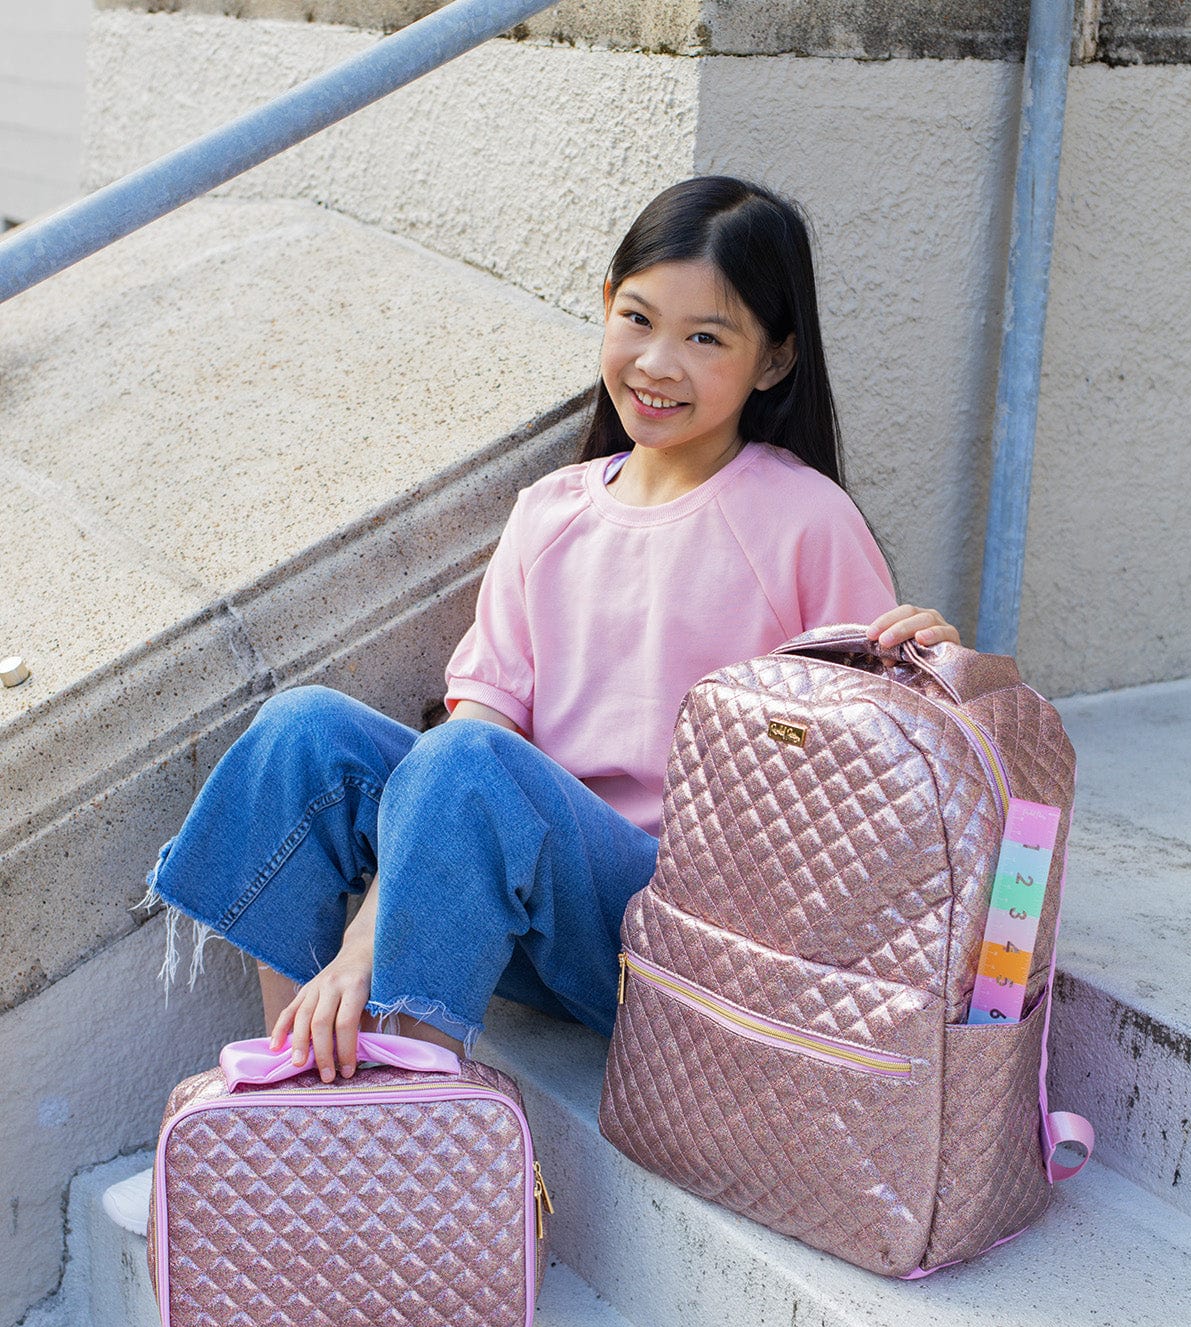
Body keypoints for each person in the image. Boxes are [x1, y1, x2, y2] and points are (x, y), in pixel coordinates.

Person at [144, 175, 959, 1087]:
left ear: (772, 361)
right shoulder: (552, 510)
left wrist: (926, 663)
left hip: (681, 937)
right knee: (303, 730)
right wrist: (360, 943)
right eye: (639, 319)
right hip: (535, 898)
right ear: (607, 305)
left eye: (705, 338)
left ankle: (414, 1124)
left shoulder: (804, 519)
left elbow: (874, 765)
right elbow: (481, 724)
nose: (657, 363)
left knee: (467, 768)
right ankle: (293, 1082)